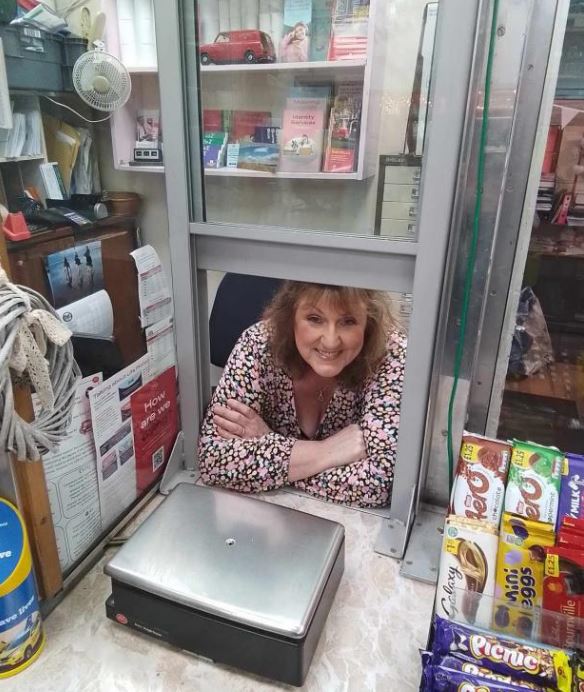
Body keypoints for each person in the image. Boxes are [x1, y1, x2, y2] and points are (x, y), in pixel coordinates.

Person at [198, 282, 407, 507]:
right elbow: (213, 459)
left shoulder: (390, 354)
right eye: (315, 319)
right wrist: (325, 453)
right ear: (291, 315)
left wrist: (269, 448)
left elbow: (380, 482)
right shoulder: (258, 343)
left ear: (368, 321)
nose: (330, 340)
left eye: (348, 322)